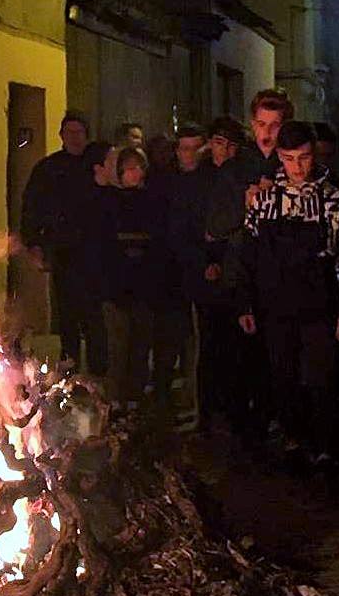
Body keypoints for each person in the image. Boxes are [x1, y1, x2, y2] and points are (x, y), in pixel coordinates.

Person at [235, 121, 339, 468]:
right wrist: (245, 302)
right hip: (276, 305)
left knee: (321, 378)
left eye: (303, 158)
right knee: (283, 376)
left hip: (319, 305)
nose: (297, 167)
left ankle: (323, 444)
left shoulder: (332, 197)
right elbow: (249, 254)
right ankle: (294, 438)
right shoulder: (266, 201)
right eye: (289, 159)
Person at [192, 117, 268, 439]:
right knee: (214, 345)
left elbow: (229, 220)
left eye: (225, 143)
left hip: (235, 271)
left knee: (233, 345)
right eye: (217, 142)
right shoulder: (208, 175)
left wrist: (218, 235)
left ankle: (235, 414)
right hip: (214, 272)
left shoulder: (240, 171)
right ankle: (215, 412)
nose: (219, 149)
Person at [20, 112, 107, 376]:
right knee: (67, 315)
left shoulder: (98, 167)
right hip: (64, 252)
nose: (74, 137)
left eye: (79, 132)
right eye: (69, 132)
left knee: (95, 317)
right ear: (61, 136)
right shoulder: (48, 168)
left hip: (96, 252)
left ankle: (98, 373)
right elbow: (31, 208)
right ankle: (69, 372)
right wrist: (34, 243)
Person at [90, 146, 172, 409]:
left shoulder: (152, 200)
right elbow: (102, 243)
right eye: (130, 168)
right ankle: (115, 399)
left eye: (139, 167)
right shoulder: (107, 201)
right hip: (116, 286)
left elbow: (158, 240)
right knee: (118, 345)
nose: (135, 173)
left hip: (144, 285)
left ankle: (135, 396)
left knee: (140, 345)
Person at [157, 125, 209, 426]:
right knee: (171, 338)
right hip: (170, 273)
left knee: (196, 343)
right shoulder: (168, 182)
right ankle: (168, 400)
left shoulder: (206, 182)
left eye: (194, 148)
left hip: (198, 271)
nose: (188, 155)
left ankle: (195, 401)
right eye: (184, 148)